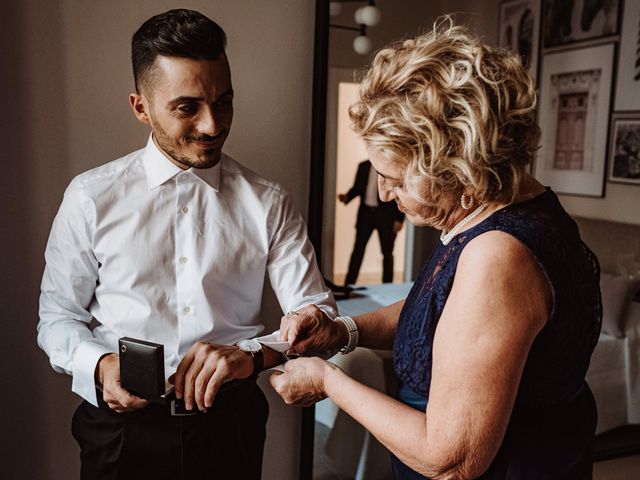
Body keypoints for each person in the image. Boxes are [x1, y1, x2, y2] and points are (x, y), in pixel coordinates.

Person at [270, 18, 602, 479]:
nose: (385, 193)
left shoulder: (498, 257)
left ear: (461, 167)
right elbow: (446, 312)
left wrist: (329, 380)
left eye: (396, 177)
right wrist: (343, 330)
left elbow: (450, 459)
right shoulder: (528, 208)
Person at [37, 9, 336, 480]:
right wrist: (99, 366)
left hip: (230, 428)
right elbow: (56, 319)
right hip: (118, 432)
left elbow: (318, 315)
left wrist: (253, 354)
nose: (213, 125)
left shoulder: (270, 202)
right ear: (141, 107)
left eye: (224, 102)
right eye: (187, 107)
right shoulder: (90, 197)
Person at [339, 159, 405, 285]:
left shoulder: (391, 166)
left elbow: (399, 193)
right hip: (366, 215)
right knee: (358, 250)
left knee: (387, 252)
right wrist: (347, 197)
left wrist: (399, 219)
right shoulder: (363, 166)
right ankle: (349, 284)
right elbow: (357, 188)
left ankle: (387, 286)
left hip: (386, 217)